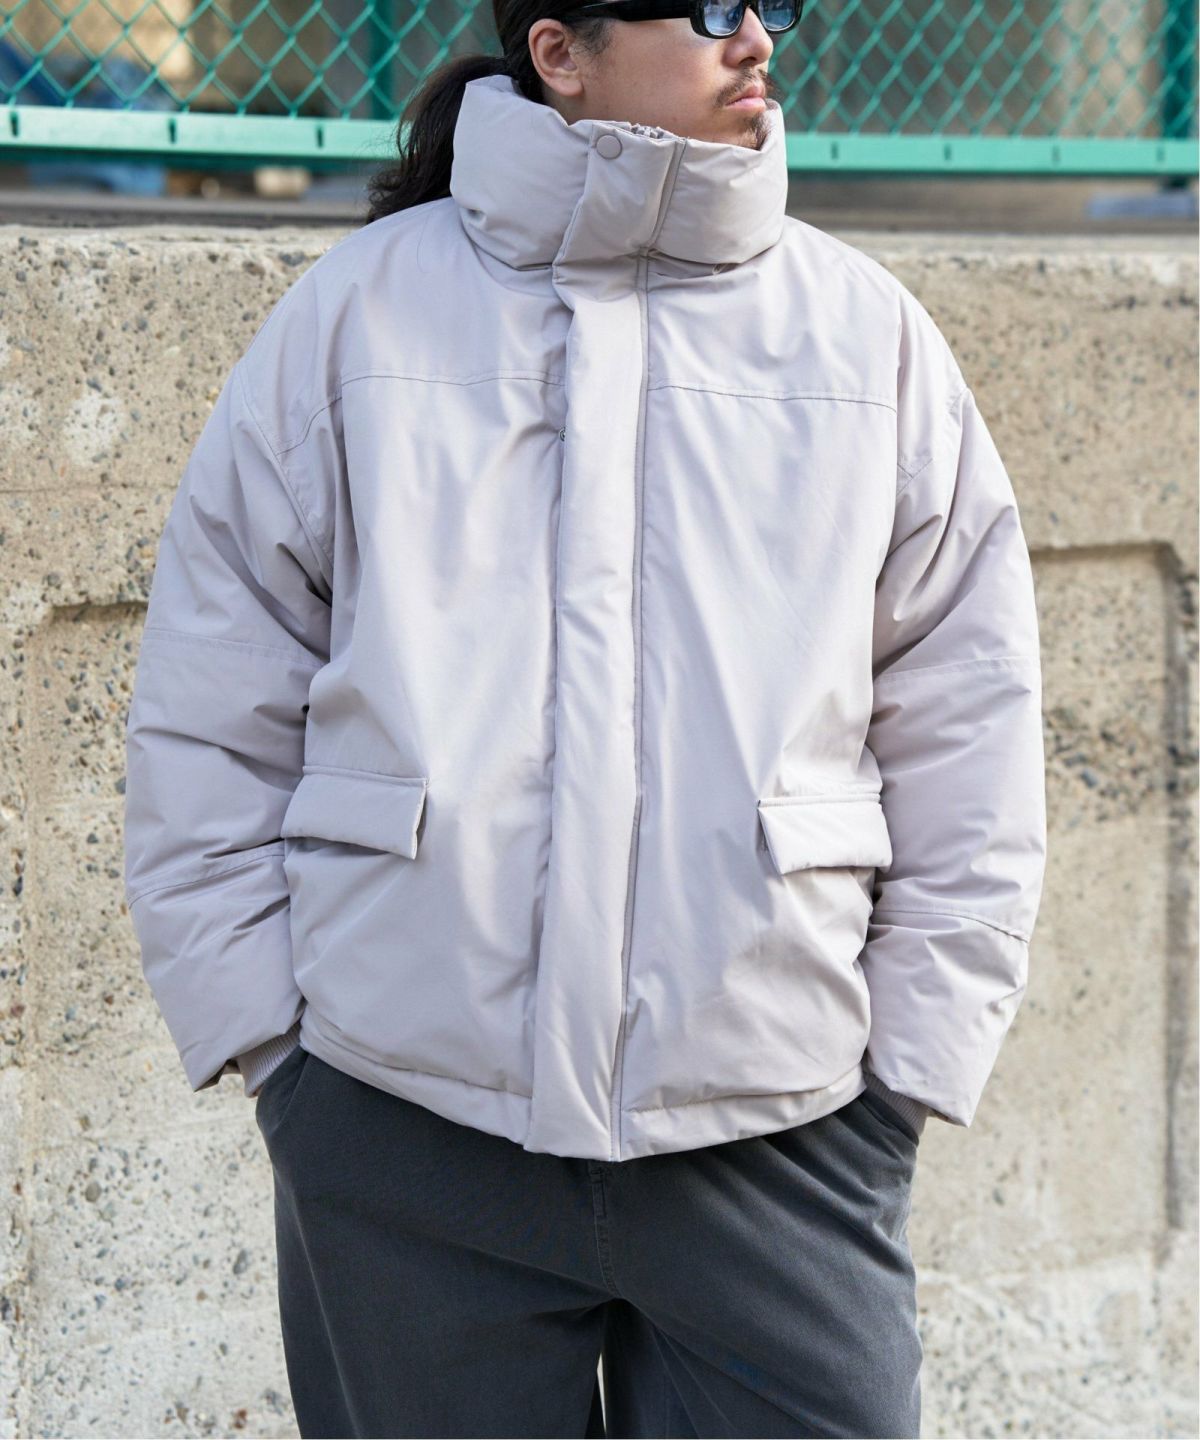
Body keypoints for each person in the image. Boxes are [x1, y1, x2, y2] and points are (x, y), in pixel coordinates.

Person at [122, 0, 1048, 1434]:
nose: (759, 39)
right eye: (712, 6)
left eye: (774, 2)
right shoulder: (358, 317)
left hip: (783, 1128)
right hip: (405, 1132)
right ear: (559, 52)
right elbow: (213, 687)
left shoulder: (867, 338)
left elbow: (968, 718)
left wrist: (907, 1079)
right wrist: (272, 1051)